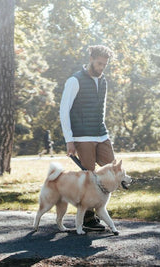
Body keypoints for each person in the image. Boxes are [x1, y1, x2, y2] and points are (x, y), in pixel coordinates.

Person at [59, 45, 115, 231]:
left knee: (113, 167)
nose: (101, 67)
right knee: (88, 175)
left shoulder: (103, 80)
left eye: (104, 65)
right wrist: (69, 140)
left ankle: (100, 206)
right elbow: (64, 111)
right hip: (82, 135)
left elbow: (102, 107)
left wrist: (103, 127)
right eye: (99, 63)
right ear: (91, 59)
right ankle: (88, 218)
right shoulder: (75, 80)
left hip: (101, 132)